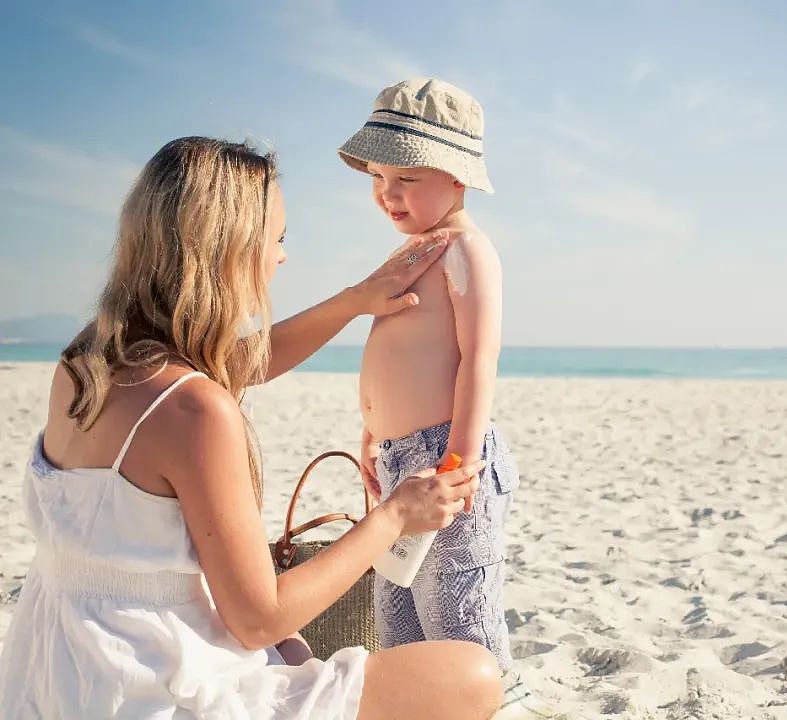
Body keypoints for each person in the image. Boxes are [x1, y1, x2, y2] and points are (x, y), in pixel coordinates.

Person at [0, 136, 502, 720]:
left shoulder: (87, 360)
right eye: (277, 239)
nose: (283, 258)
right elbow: (259, 616)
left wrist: (353, 302)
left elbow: (232, 363)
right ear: (230, 249)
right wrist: (394, 516)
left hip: (62, 668)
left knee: (289, 651)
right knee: (472, 674)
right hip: (147, 689)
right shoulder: (196, 411)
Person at [338, 77, 558, 719]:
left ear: (457, 178)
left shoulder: (466, 248)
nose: (388, 193)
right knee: (397, 610)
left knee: (456, 611)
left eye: (406, 177)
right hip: (400, 457)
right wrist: (374, 430)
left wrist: (458, 460)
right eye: (379, 178)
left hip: (447, 460)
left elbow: (475, 359)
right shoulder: (415, 251)